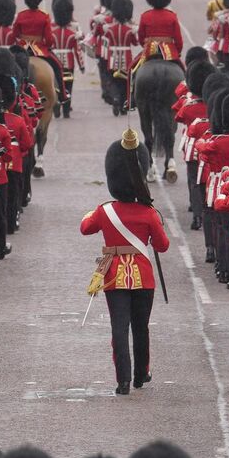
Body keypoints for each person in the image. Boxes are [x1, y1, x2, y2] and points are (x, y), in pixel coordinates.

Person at [80, 130, 171, 396]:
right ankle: (142, 374)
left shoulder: (105, 210)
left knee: (119, 328)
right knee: (140, 327)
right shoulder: (149, 213)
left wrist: (92, 213)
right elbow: (163, 246)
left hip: (113, 276)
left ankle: (123, 380)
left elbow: (85, 228)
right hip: (143, 277)